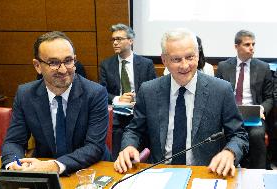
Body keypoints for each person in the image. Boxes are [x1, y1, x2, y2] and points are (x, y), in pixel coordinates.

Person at [114, 28, 249, 177]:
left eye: (190, 57)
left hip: (206, 172)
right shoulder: (149, 90)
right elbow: (134, 130)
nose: (185, 66)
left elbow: (239, 135)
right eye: (176, 59)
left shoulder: (221, 90)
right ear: (164, 60)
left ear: (198, 56)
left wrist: (230, 153)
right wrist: (129, 146)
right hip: (159, 173)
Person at [1, 31, 110, 175]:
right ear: (37, 65)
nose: (63, 69)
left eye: (68, 61)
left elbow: (94, 147)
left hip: (90, 170)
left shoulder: (95, 93)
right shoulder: (25, 94)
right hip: (43, 170)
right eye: (54, 63)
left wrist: (55, 166)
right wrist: (13, 164)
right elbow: (14, 141)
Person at [216, 30, 273, 169]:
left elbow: (269, 97)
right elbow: (216, 94)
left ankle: (258, 172)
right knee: (221, 135)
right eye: (247, 44)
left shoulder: (263, 67)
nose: (252, 47)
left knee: (257, 134)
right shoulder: (223, 66)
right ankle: (226, 169)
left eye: (253, 44)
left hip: (254, 115)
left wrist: (262, 108)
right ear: (236, 46)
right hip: (230, 114)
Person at [99, 23, 157, 160]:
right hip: (118, 117)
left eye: (119, 39)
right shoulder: (106, 64)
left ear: (130, 41)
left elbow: (154, 90)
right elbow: (101, 92)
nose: (115, 43)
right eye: (113, 40)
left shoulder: (146, 64)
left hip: (140, 114)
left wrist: (140, 97)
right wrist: (118, 99)